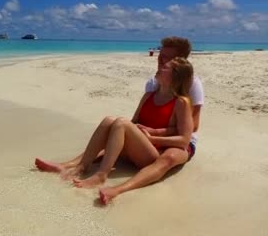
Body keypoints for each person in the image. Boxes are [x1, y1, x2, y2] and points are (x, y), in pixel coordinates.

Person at [35, 36, 204, 203]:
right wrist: (138, 132)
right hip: (148, 139)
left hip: (173, 143)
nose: (160, 60)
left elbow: (190, 129)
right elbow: (136, 120)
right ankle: (76, 166)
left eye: (165, 58)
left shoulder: (189, 88)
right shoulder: (152, 87)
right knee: (112, 122)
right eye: (160, 55)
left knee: (167, 157)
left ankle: (103, 176)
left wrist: (153, 134)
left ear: (178, 64)